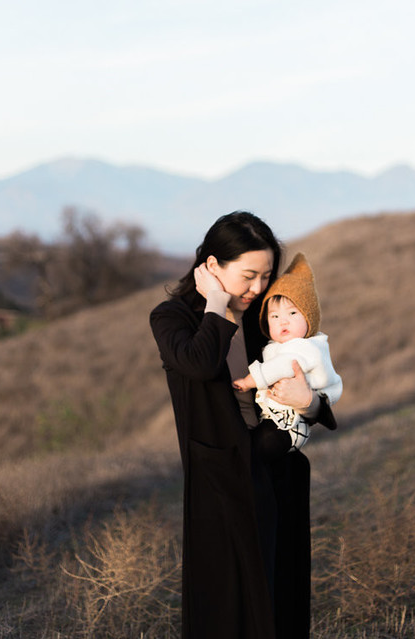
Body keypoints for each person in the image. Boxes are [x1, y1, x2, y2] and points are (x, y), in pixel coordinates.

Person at [149, 211, 337, 639]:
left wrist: (309, 403)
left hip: (276, 468)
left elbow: (312, 374)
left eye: (266, 277)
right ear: (212, 266)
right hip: (220, 476)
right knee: (226, 600)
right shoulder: (172, 318)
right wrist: (216, 303)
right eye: (248, 275)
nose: (258, 289)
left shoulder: (261, 318)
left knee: (280, 592)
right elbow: (198, 364)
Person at [233, 252, 342, 457]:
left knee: (262, 445)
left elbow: (282, 366)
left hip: (290, 425)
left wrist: (249, 380)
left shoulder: (304, 347)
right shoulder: (280, 345)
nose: (283, 321)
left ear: (310, 318)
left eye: (292, 314)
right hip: (281, 418)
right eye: (274, 316)